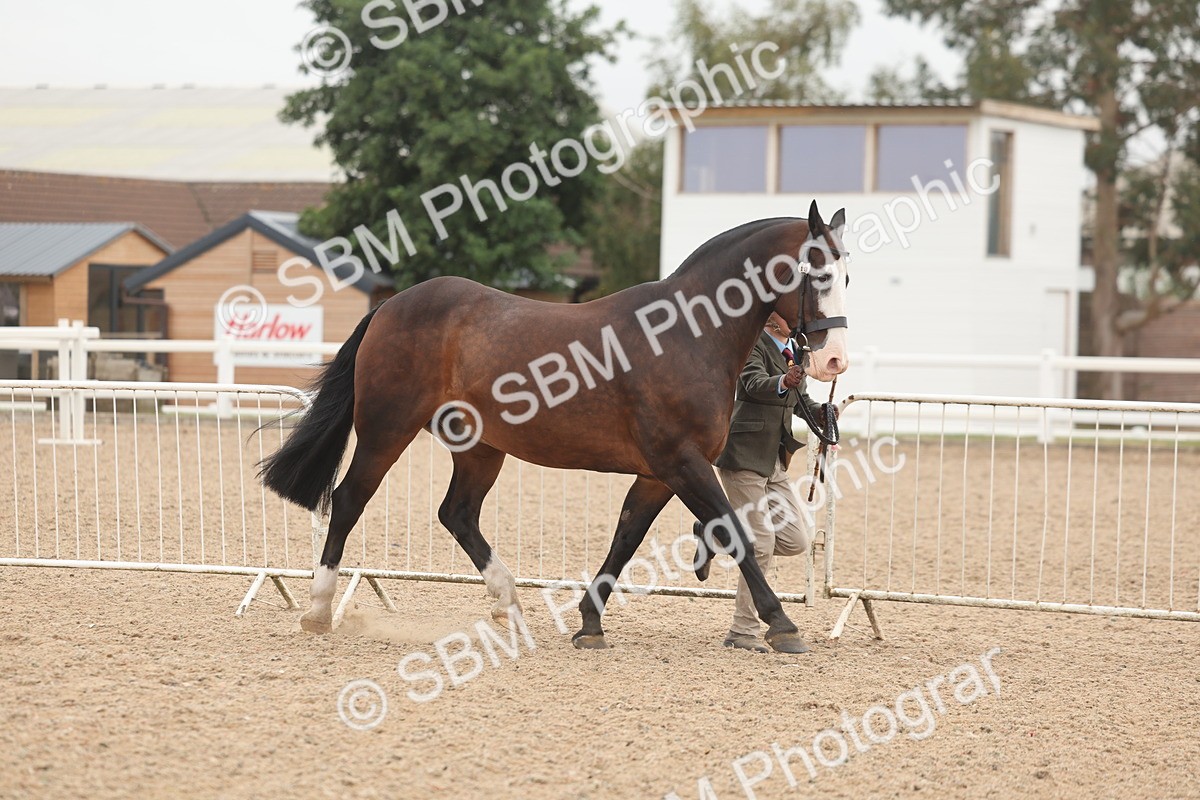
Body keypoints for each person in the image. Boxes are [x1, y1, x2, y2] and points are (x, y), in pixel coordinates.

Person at [693, 311, 826, 653]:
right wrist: (784, 382)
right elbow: (752, 384)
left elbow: (799, 402)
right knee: (762, 543)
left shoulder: (796, 348)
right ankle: (742, 631)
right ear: (772, 318)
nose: (798, 320)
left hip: (773, 460)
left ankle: (717, 533)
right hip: (743, 456)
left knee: (797, 539)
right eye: (791, 316)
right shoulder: (751, 344)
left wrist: (821, 411)